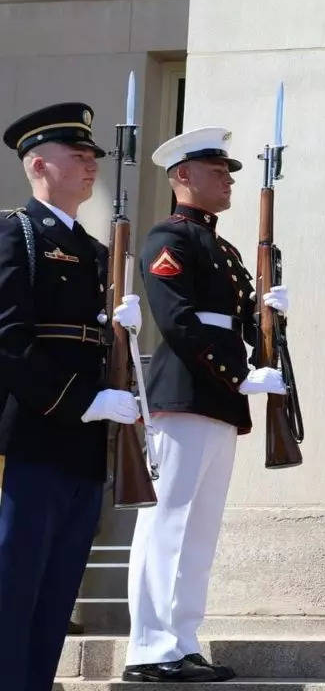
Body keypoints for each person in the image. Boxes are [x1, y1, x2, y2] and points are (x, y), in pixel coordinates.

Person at [123, 127, 290, 682]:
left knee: (199, 529)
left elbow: (242, 323)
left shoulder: (225, 248)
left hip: (219, 398)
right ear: (182, 177)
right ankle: (149, 648)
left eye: (229, 172)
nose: (228, 180)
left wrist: (270, 314)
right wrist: (238, 373)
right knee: (165, 521)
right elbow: (176, 321)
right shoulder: (168, 237)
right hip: (188, 391)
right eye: (217, 171)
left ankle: (182, 639)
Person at [0, 102, 140, 691]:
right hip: (32, 440)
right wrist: (82, 401)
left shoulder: (96, 251)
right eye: (76, 156)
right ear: (38, 164)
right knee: (13, 588)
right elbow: (8, 340)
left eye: (92, 158)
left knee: (58, 595)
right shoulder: (16, 233)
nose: (89, 166)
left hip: (83, 452)